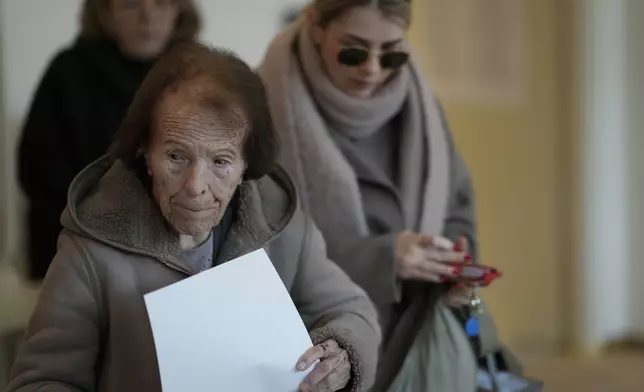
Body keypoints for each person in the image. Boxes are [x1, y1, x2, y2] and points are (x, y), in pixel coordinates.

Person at [5, 43, 381, 392]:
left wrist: (341, 355)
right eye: (175, 156)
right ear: (144, 151)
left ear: (246, 165)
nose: (195, 186)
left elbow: (352, 310)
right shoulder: (92, 246)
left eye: (220, 162)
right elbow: (41, 380)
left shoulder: (280, 222)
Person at [258, 1, 520, 390]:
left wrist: (455, 267)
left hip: (420, 334)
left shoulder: (420, 104)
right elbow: (258, 248)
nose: (373, 69)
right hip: (319, 346)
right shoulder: (262, 105)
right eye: (354, 50)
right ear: (315, 25)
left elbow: (456, 203)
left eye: (393, 52)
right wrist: (384, 257)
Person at [17, 0, 201, 281]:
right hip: (81, 247)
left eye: (162, 3)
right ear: (105, 13)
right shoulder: (67, 71)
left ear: (181, 11)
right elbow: (36, 171)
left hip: (181, 249)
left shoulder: (201, 73)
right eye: (130, 5)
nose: (147, 17)